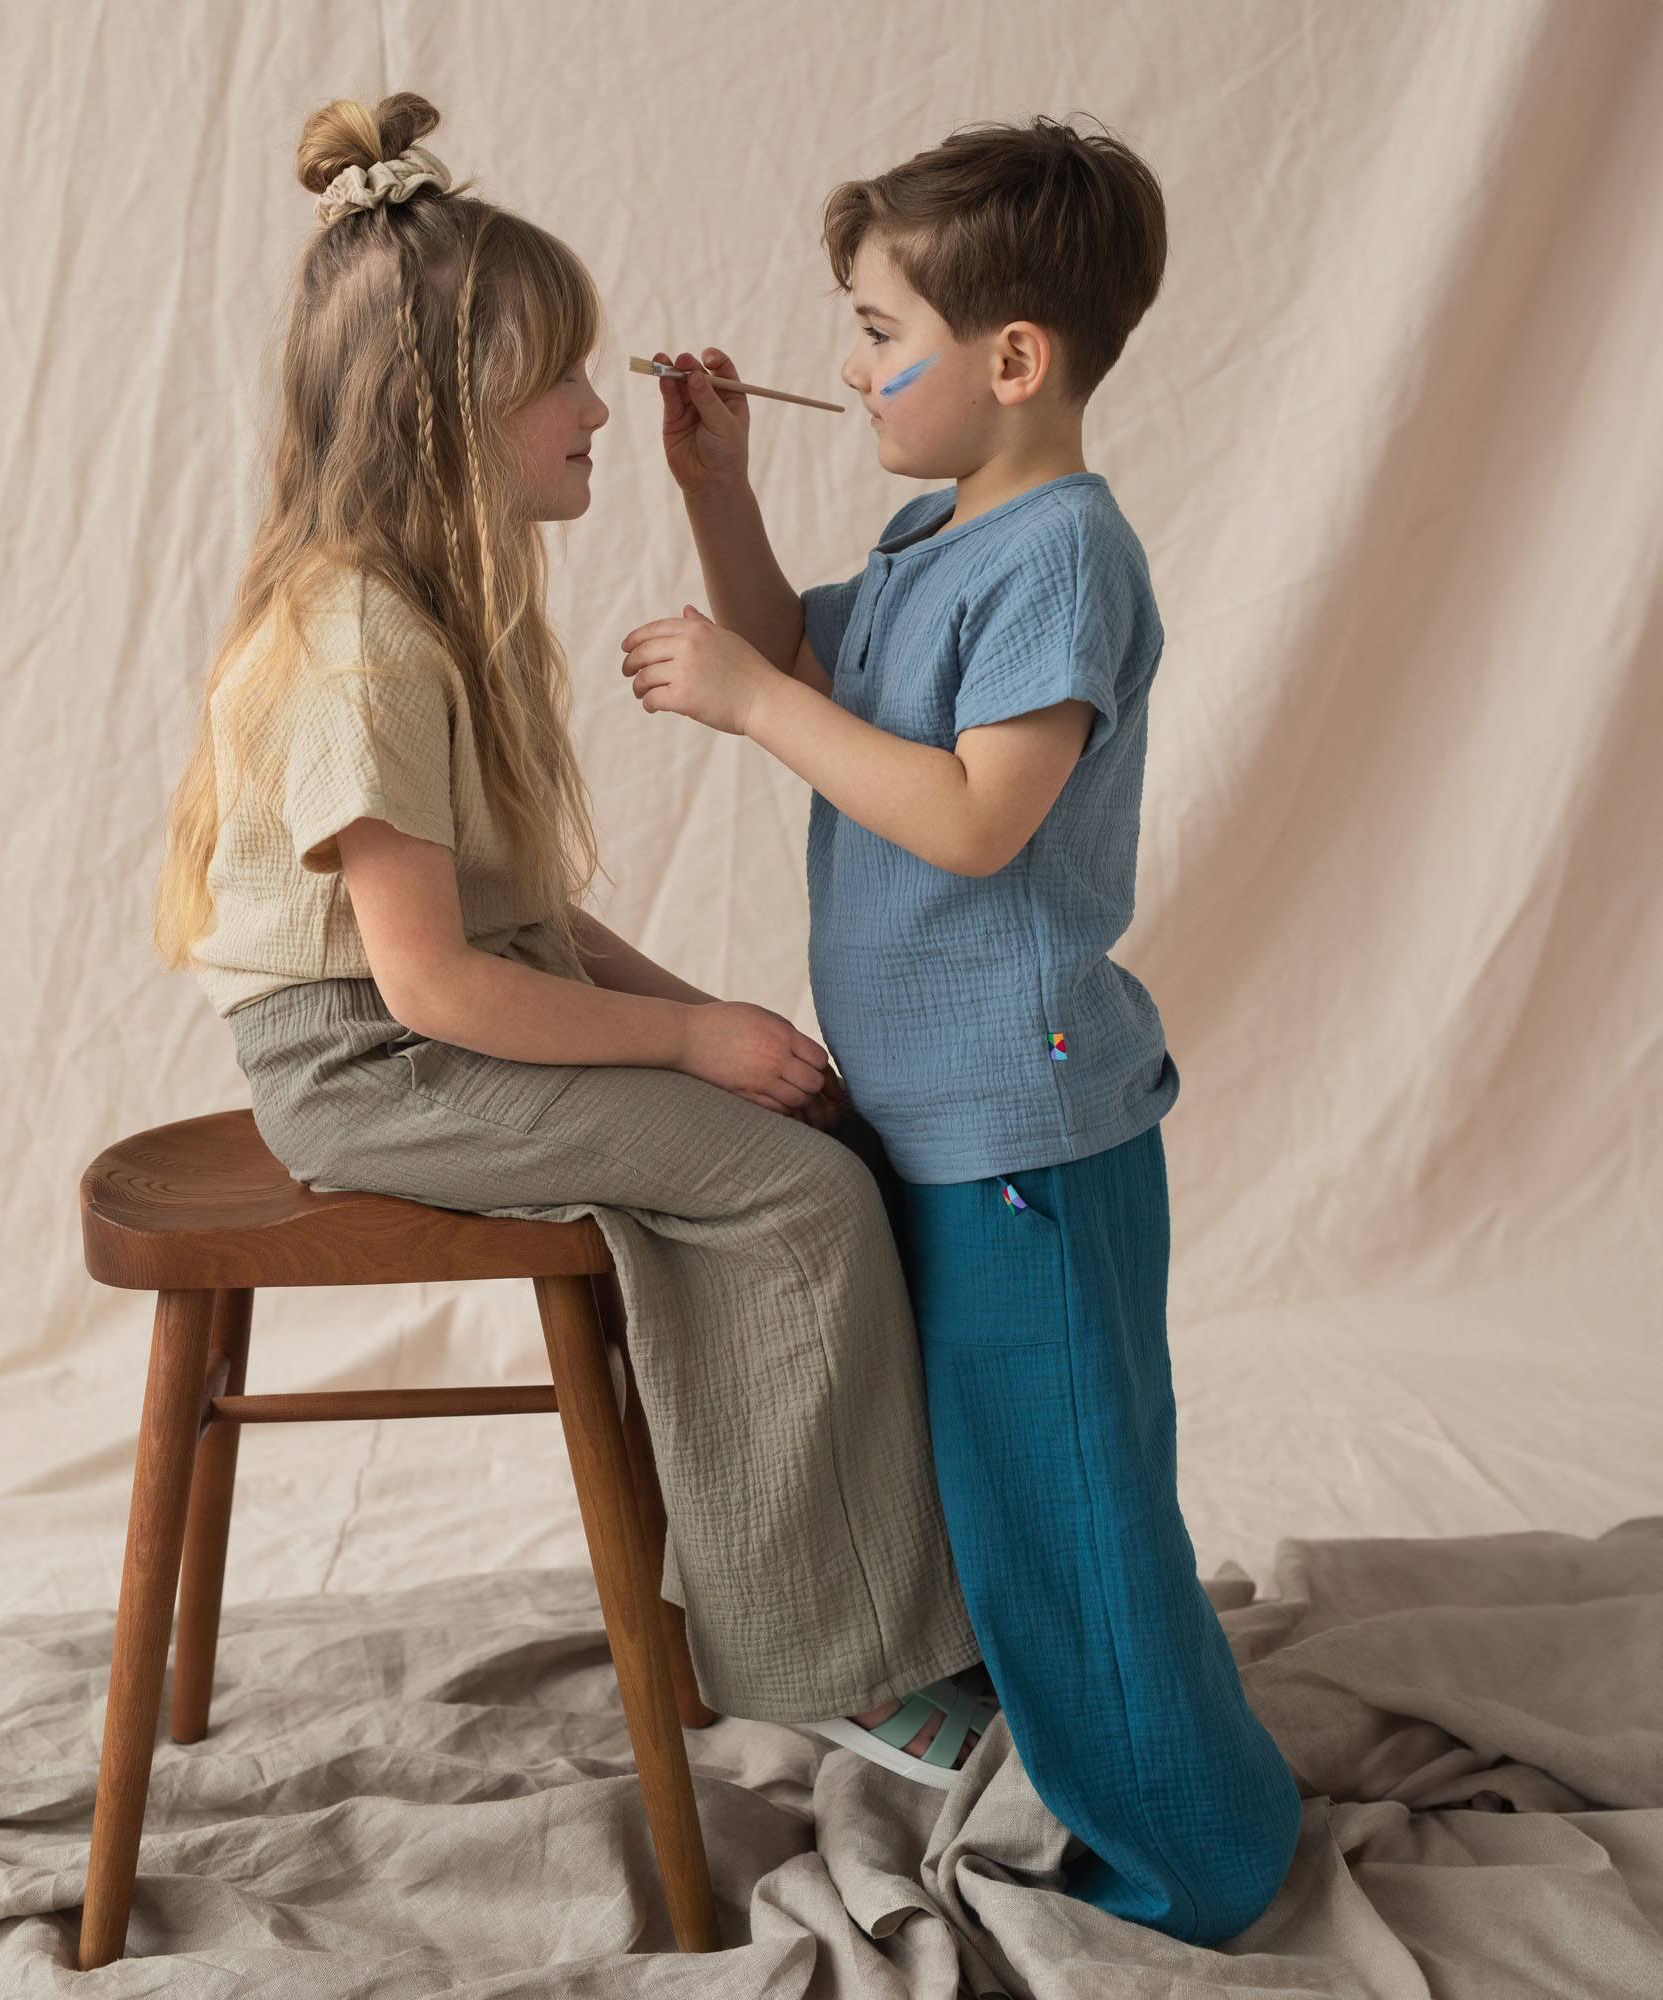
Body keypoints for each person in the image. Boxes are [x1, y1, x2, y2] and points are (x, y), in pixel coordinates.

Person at [150, 90, 996, 1756]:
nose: (593, 405)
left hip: (443, 1030)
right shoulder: (367, 648)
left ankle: (796, 1599)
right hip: (373, 1068)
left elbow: (536, 925)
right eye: (557, 375)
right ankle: (849, 1663)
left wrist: (733, 1029)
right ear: (443, 408)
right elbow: (434, 981)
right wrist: (694, 1043)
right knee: (800, 1198)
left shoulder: (431, 614)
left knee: (812, 1131)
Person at [622, 116, 1302, 1941]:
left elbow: (979, 817)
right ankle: (1110, 1786)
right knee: (999, 1504)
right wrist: (718, 494)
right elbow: (815, 659)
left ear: (1015, 362)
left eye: (870, 333)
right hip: (942, 1119)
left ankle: (1198, 1867)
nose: (848, 369)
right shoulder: (938, 532)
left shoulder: (1064, 556)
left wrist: (756, 705)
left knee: (1071, 1518)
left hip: (1028, 1129)